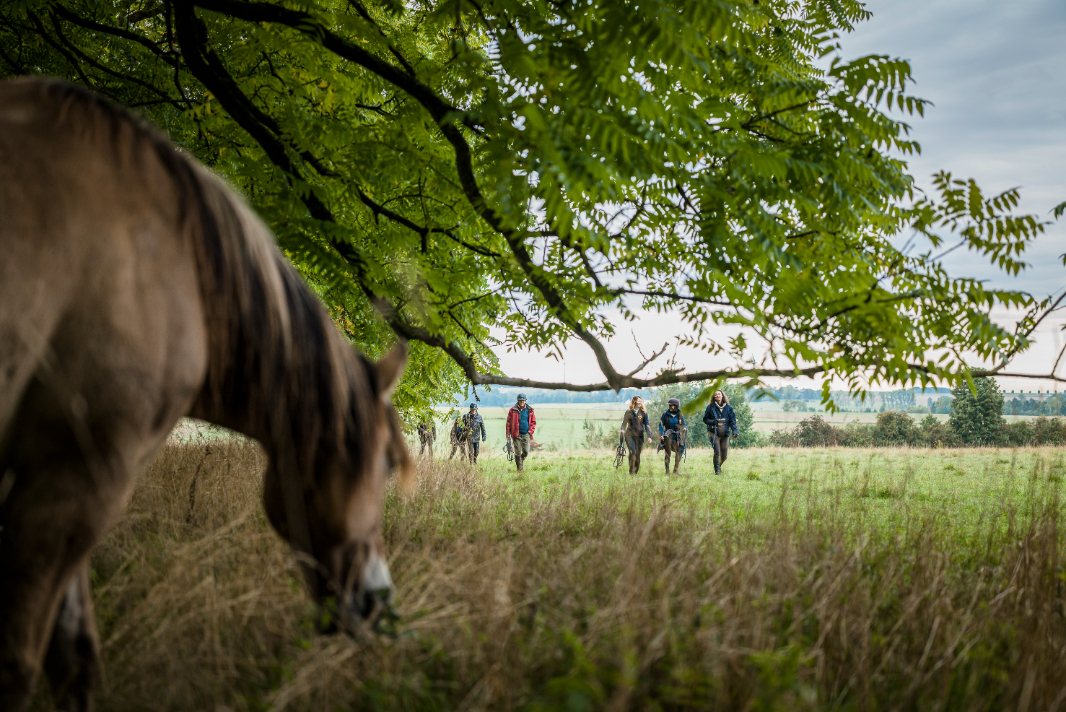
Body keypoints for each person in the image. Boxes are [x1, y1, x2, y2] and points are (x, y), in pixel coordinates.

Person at [702, 389, 738, 474]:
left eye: (719, 394)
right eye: (716, 394)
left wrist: (735, 431)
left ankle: (718, 466)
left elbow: (733, 421)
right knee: (717, 452)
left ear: (722, 396)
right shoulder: (710, 407)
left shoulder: (729, 408)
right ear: (714, 397)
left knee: (724, 455)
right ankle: (717, 471)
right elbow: (705, 419)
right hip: (714, 433)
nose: (717, 395)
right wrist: (713, 422)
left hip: (725, 433)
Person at [620, 396, 653, 474]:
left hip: (640, 436)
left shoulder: (644, 412)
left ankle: (635, 470)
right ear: (634, 402)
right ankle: (631, 470)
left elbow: (647, 425)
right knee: (633, 452)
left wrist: (649, 436)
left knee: (637, 454)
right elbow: (624, 423)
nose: (640, 402)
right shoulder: (628, 412)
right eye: (638, 401)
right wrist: (622, 430)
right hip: (629, 435)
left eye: (641, 401)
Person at [505, 394, 536, 472]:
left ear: (525, 401)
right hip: (516, 434)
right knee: (518, 452)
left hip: (526, 434)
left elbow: (533, 422)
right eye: (520, 400)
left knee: (526, 451)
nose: (522, 402)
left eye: (523, 400)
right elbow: (508, 423)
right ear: (518, 400)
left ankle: (520, 461)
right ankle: (519, 468)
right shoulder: (512, 410)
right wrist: (508, 434)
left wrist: (530, 432)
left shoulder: (530, 410)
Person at [658, 397, 687, 474]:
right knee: (668, 454)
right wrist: (661, 434)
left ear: (676, 406)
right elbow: (661, 425)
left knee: (679, 451)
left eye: (672, 405)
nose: (670, 406)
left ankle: (675, 470)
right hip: (667, 437)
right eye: (669, 405)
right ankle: (667, 471)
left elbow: (684, 423)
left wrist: (684, 428)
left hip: (676, 437)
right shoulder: (665, 414)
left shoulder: (680, 415)